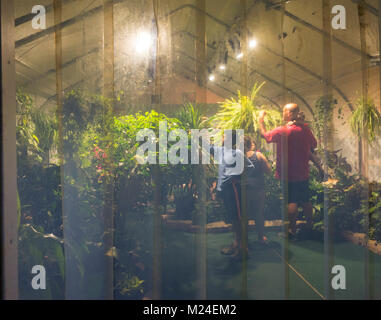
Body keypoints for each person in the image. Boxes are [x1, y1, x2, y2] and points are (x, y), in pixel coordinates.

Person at [258, 103, 317, 238]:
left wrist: (260, 120)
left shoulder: (282, 130)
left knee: (291, 201)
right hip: (303, 171)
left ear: (290, 114)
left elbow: (265, 136)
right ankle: (309, 226)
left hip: (288, 172)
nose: (282, 113)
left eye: (284, 111)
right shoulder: (305, 129)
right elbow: (314, 144)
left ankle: (292, 230)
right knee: (305, 200)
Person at [213, 130, 245, 257]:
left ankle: (242, 249)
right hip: (224, 190)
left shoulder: (236, 153)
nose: (222, 137)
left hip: (233, 190)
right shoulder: (220, 151)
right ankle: (237, 244)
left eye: (224, 135)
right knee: (233, 219)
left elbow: (240, 173)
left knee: (237, 219)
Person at [243, 136, 272, 244]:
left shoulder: (237, 156)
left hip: (243, 189)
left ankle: (243, 239)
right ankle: (261, 237)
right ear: (251, 144)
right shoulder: (258, 155)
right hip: (258, 188)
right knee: (258, 213)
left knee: (243, 215)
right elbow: (268, 170)